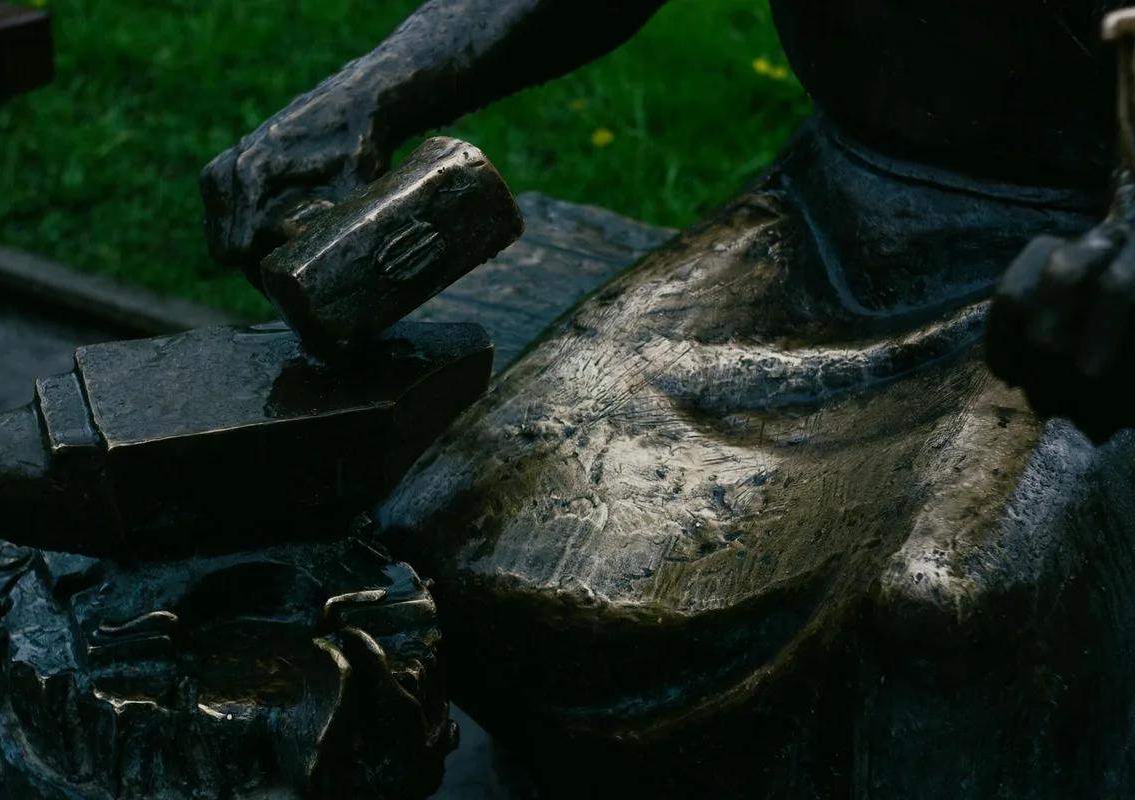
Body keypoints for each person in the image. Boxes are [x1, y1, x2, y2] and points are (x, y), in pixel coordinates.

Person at [201, 2, 1135, 796]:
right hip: (827, 223)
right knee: (466, 508)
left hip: (1069, 274)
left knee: (947, 607)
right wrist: (376, 88)